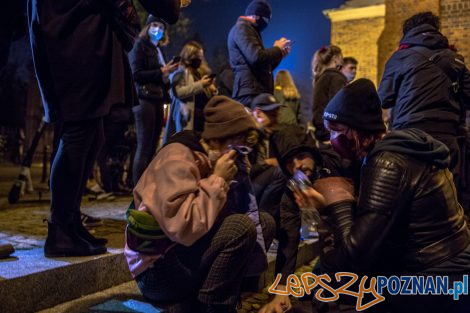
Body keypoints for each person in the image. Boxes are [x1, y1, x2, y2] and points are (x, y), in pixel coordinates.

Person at [296, 78, 470, 312]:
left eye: (336, 130)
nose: (331, 140)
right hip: (448, 266)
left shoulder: (386, 163)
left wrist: (335, 203)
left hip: (434, 278)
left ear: (355, 130)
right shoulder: (399, 150)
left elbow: (355, 258)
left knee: (329, 296)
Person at [28, 0, 186, 257]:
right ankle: (60, 230)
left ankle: (70, 223)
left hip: (78, 34)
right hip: (75, 39)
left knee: (91, 133)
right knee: (78, 133)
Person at [125, 96, 275, 313]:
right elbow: (184, 228)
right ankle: (211, 306)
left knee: (265, 223)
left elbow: (220, 219)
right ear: (215, 140)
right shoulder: (176, 158)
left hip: (181, 256)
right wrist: (218, 180)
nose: (238, 156)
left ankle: (204, 303)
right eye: (235, 148)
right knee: (241, 228)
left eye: (243, 150)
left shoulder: (210, 159)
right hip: (156, 273)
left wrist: (236, 182)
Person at [378, 12, 470, 203]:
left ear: (408, 33)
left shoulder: (399, 58)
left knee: (408, 195)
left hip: (408, 137)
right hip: (447, 137)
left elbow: (384, 99)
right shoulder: (455, 60)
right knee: (449, 197)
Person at [259, 125, 345, 313]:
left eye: (300, 157)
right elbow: (289, 238)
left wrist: (325, 205)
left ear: (313, 153)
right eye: (289, 163)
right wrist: (281, 290)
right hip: (335, 245)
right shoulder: (295, 185)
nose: (297, 166)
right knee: (312, 294)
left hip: (362, 241)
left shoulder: (339, 163)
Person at [129, 15, 179, 184]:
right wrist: (162, 72)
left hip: (157, 99)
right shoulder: (140, 46)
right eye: (154, 25)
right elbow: (136, 74)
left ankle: (147, 187)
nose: (157, 29)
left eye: (161, 26)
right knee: (143, 146)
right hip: (143, 99)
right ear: (148, 26)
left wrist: (168, 74)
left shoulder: (158, 49)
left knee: (151, 148)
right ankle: (138, 188)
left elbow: (160, 76)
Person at [227, 0, 291, 107]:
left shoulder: (249, 30)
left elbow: (261, 66)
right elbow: (256, 57)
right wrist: (276, 49)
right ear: (257, 16)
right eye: (267, 19)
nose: (266, 24)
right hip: (250, 93)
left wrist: (279, 55)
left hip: (253, 91)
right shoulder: (243, 28)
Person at [163, 41, 217, 143]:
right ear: (189, 55)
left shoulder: (200, 72)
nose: (200, 59)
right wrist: (201, 84)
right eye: (197, 56)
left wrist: (210, 88)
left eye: (201, 56)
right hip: (188, 118)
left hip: (202, 120)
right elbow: (179, 92)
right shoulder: (180, 72)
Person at [249, 93, 285, 218]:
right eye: (272, 114)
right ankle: (263, 220)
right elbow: (244, 172)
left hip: (260, 184)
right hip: (244, 188)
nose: (276, 118)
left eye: (276, 114)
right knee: (280, 172)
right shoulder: (248, 135)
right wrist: (267, 163)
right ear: (258, 113)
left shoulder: (272, 134)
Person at [312, 45, 346, 143]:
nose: (342, 61)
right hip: (333, 135)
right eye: (341, 57)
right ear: (335, 59)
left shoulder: (321, 78)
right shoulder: (336, 78)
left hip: (322, 133)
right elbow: (339, 108)